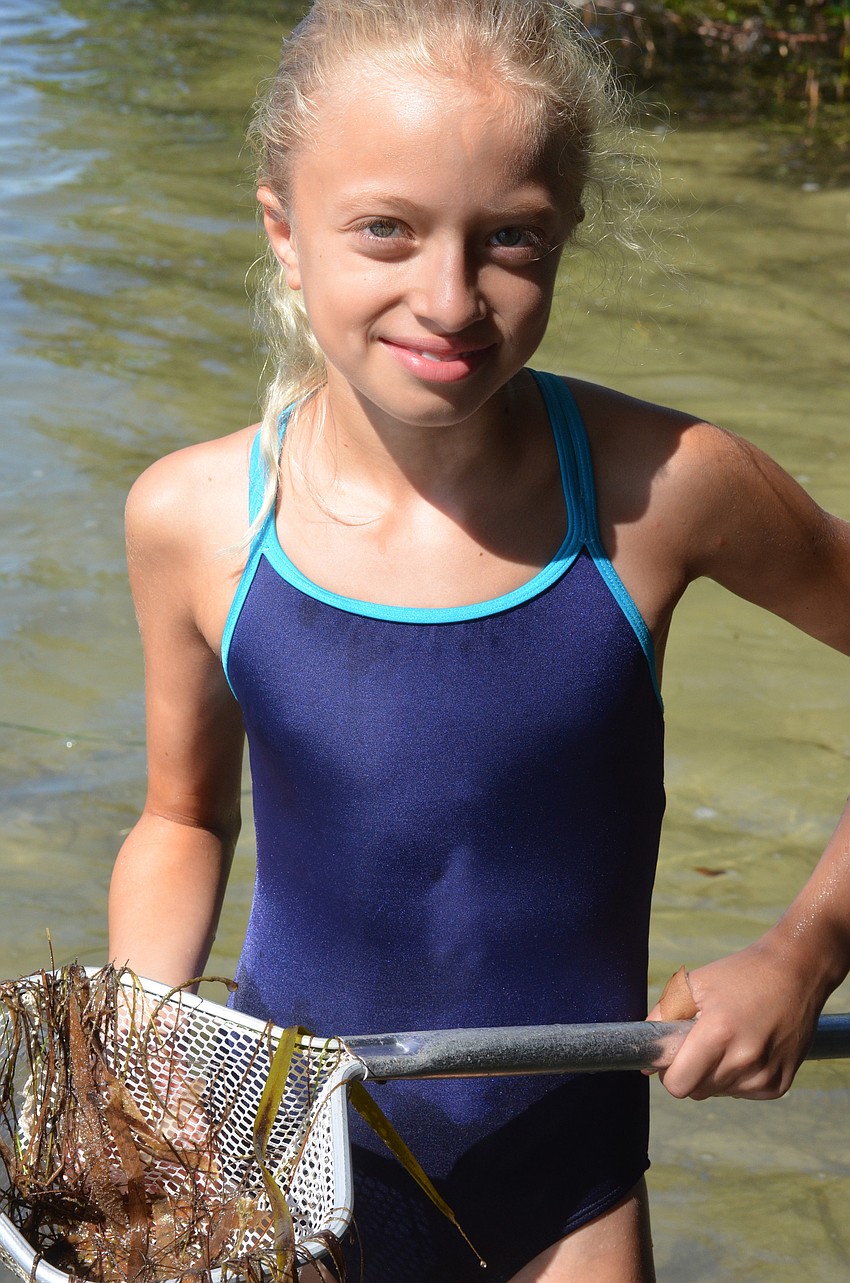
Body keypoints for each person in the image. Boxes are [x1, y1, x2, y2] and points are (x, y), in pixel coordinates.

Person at [107, 1, 850, 1280]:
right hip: (278, 1181)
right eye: (385, 229)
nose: (449, 299)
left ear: (565, 232)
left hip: (569, 1196)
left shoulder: (667, 488)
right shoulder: (194, 518)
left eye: (509, 238)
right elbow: (182, 817)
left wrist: (803, 948)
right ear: (283, 230)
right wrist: (140, 1026)